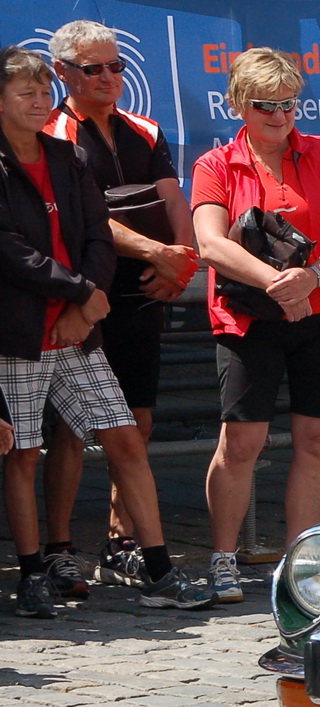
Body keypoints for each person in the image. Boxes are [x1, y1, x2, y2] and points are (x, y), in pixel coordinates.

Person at [0, 46, 210, 616]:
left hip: (81, 326)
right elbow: (10, 252)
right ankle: (33, 572)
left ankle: (161, 569)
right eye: (26, 93)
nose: (39, 102)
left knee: (124, 436)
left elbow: (96, 230)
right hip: (19, 334)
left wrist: (89, 299)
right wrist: (79, 293)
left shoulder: (65, 157)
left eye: (42, 92)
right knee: (24, 452)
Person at [191, 50, 320, 605]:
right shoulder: (216, 164)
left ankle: (298, 561)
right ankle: (222, 557)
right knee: (243, 440)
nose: (279, 115)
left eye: (289, 104)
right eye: (266, 105)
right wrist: (276, 282)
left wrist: (309, 278)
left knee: (317, 438)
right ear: (239, 104)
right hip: (248, 316)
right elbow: (210, 243)